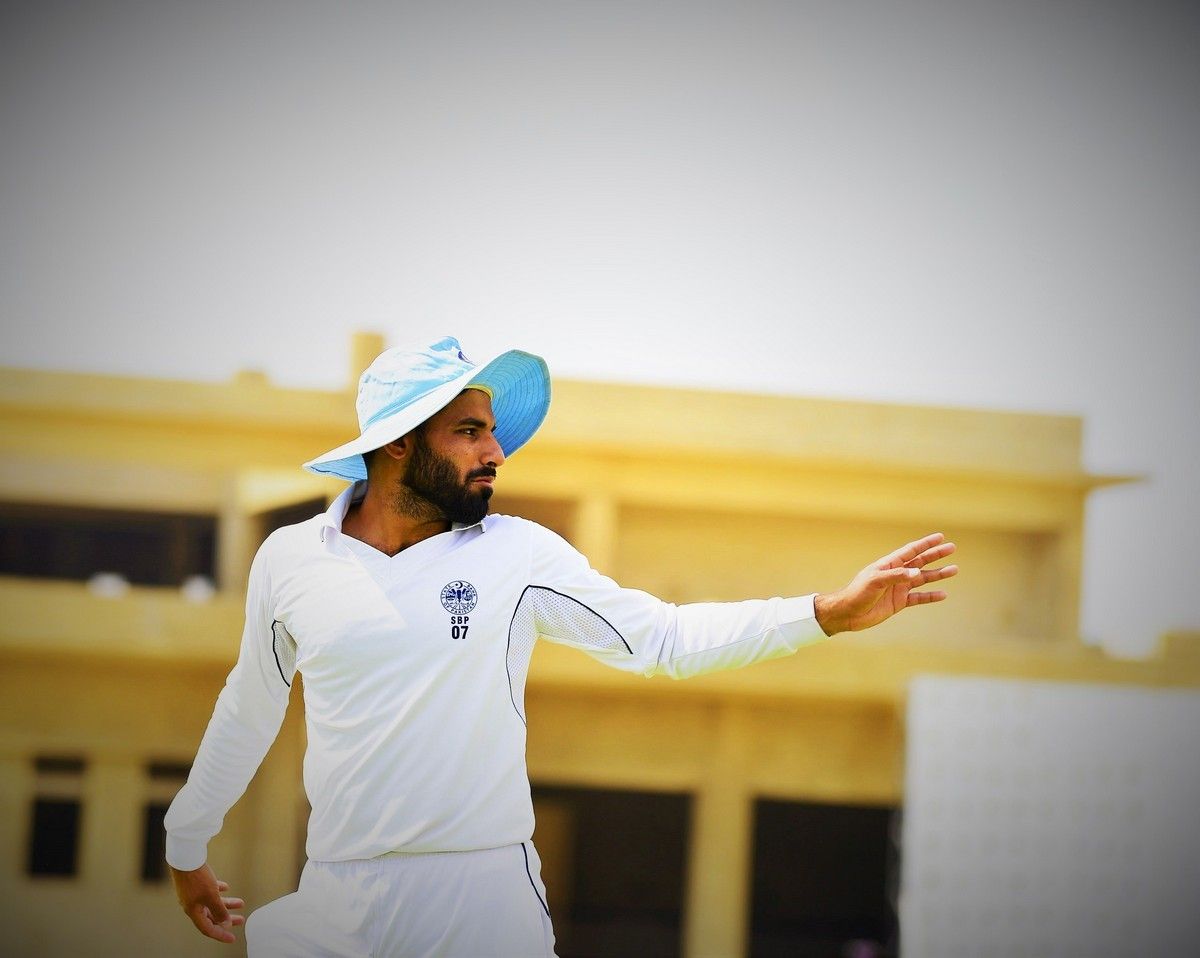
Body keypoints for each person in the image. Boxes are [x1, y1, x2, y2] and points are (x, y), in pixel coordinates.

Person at [165, 336, 957, 957]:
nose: (496, 452)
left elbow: (662, 640)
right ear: (399, 443)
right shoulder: (292, 560)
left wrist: (824, 613)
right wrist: (185, 840)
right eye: (470, 431)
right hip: (339, 896)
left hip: (481, 903)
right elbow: (251, 706)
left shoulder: (519, 555)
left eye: (492, 432)